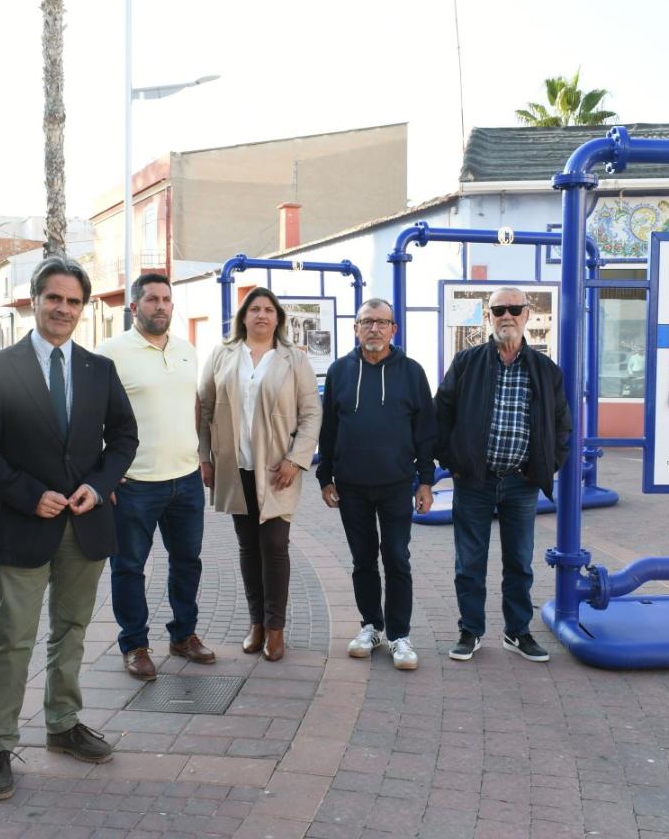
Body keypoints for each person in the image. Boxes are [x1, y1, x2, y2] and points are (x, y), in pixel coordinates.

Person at [0, 256, 138, 801]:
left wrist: (98, 482)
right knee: (14, 635)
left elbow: (125, 438)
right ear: (34, 301)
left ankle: (63, 724)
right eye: (53, 298)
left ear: (83, 309)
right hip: (24, 524)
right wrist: (26, 494)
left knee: (73, 628)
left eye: (73, 301)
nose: (63, 308)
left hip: (85, 524)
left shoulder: (97, 370)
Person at [435, 287, 572, 663]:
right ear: (489, 316)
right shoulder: (467, 362)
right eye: (499, 310)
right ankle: (470, 631)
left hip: (520, 483)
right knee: (470, 562)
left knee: (519, 562)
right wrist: (455, 461)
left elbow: (562, 427)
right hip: (474, 480)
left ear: (527, 315)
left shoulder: (546, 371)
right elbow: (441, 413)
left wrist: (545, 465)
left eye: (514, 309)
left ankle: (517, 632)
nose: (506, 316)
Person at [95, 272, 214, 681]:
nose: (160, 306)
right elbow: (91, 417)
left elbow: (193, 404)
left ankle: (183, 635)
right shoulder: (109, 352)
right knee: (129, 566)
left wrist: (198, 454)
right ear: (134, 307)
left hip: (185, 479)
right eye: (151, 300)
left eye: (166, 299)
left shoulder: (186, 350)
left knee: (188, 562)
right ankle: (135, 644)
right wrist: (104, 474)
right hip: (135, 484)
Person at [197, 287, 321, 662]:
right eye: (255, 309)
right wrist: (206, 456)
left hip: (276, 470)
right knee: (248, 546)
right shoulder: (222, 354)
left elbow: (312, 413)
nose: (262, 315)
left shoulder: (294, 360)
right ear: (244, 316)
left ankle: (276, 628)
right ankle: (256, 624)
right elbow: (204, 407)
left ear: (278, 318)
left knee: (275, 546)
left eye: (269, 310)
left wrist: (296, 460)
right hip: (235, 469)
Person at [317, 299, 436, 670]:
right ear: (355, 328)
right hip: (351, 486)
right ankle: (370, 626)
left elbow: (425, 432)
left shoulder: (412, 372)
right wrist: (325, 477)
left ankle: (400, 635)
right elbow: (329, 430)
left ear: (393, 329)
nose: (374, 329)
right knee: (363, 560)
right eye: (366, 322)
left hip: (397, 484)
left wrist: (426, 482)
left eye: (382, 322)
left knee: (397, 558)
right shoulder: (339, 371)